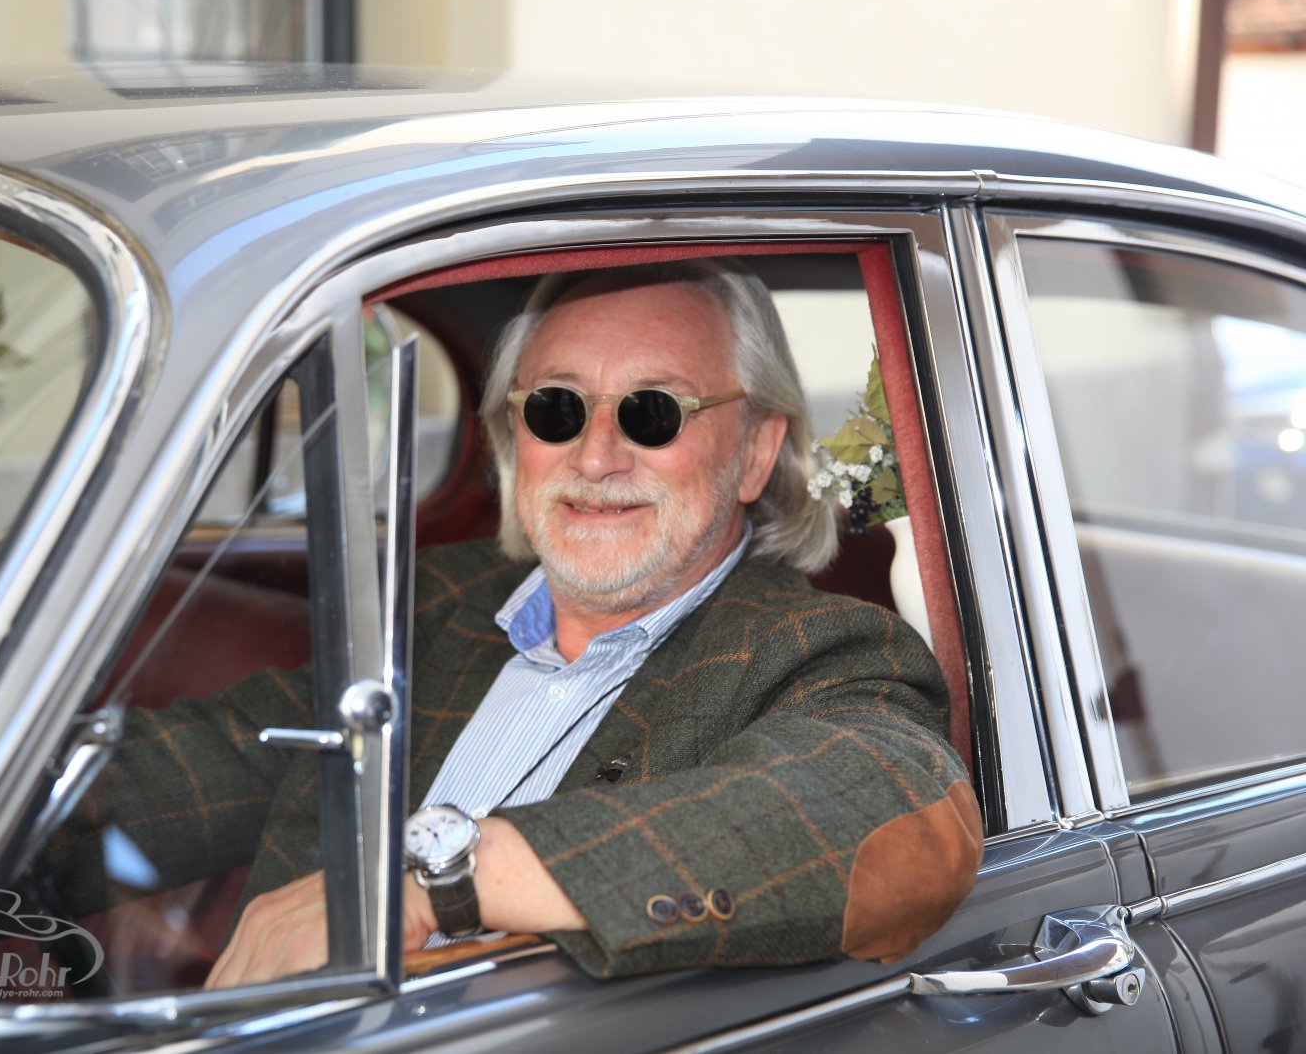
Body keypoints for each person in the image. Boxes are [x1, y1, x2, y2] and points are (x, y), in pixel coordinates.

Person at [48, 258, 981, 986]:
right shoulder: (430, 606)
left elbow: (897, 808)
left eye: (654, 411)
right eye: (557, 408)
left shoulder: (814, 651)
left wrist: (434, 884)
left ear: (754, 452)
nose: (596, 455)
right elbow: (195, 766)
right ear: (514, 438)